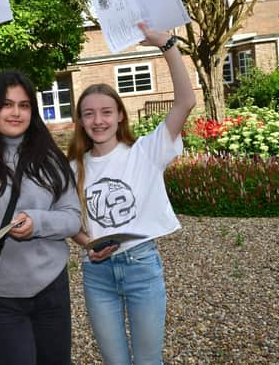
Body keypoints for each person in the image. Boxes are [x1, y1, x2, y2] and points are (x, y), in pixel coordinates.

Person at [0, 13, 81, 365]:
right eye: (6, 104)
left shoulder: (51, 158)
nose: (16, 112)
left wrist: (38, 223)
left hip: (51, 290)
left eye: (23, 105)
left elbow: (72, 219)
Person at [68, 22, 196, 365]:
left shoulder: (147, 151)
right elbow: (68, 221)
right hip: (97, 274)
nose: (98, 120)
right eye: (89, 114)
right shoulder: (73, 167)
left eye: (106, 112)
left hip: (142, 266)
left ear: (119, 115)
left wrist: (166, 44)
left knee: (148, 360)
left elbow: (186, 100)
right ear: (80, 121)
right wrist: (87, 245)